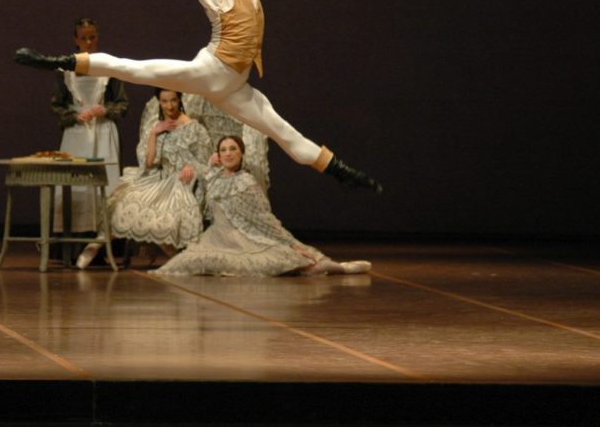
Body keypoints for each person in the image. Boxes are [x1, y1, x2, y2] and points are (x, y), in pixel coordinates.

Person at [14, 0, 382, 194]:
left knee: (282, 130)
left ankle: (342, 173)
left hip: (235, 85)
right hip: (212, 70)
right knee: (136, 70)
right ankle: (57, 61)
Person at [155, 136, 371, 276]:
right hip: (216, 236)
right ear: (218, 155)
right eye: (223, 150)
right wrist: (205, 166)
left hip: (243, 236)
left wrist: (291, 242)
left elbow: (263, 217)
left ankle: (340, 267)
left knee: (286, 260)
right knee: (184, 263)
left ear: (241, 154)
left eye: (233, 149)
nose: (228, 153)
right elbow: (199, 176)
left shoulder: (246, 182)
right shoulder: (214, 177)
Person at [76, 89, 211, 269]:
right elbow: (148, 162)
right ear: (159, 103)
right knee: (124, 202)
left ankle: (174, 257)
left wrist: (191, 166)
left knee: (160, 215)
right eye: (164, 101)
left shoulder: (195, 128)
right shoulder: (154, 126)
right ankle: (96, 244)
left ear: (180, 100)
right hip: (155, 177)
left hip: (180, 182)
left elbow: (205, 161)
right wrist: (155, 133)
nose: (169, 106)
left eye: (173, 100)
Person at [49, 17, 128, 233]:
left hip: (103, 131)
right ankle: (72, 243)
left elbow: (122, 103)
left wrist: (106, 110)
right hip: (76, 133)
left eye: (92, 37)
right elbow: (56, 105)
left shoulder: (110, 67)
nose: (89, 42)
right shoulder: (65, 69)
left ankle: (105, 242)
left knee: (106, 183)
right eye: (84, 38)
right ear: (76, 40)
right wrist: (73, 117)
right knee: (75, 184)